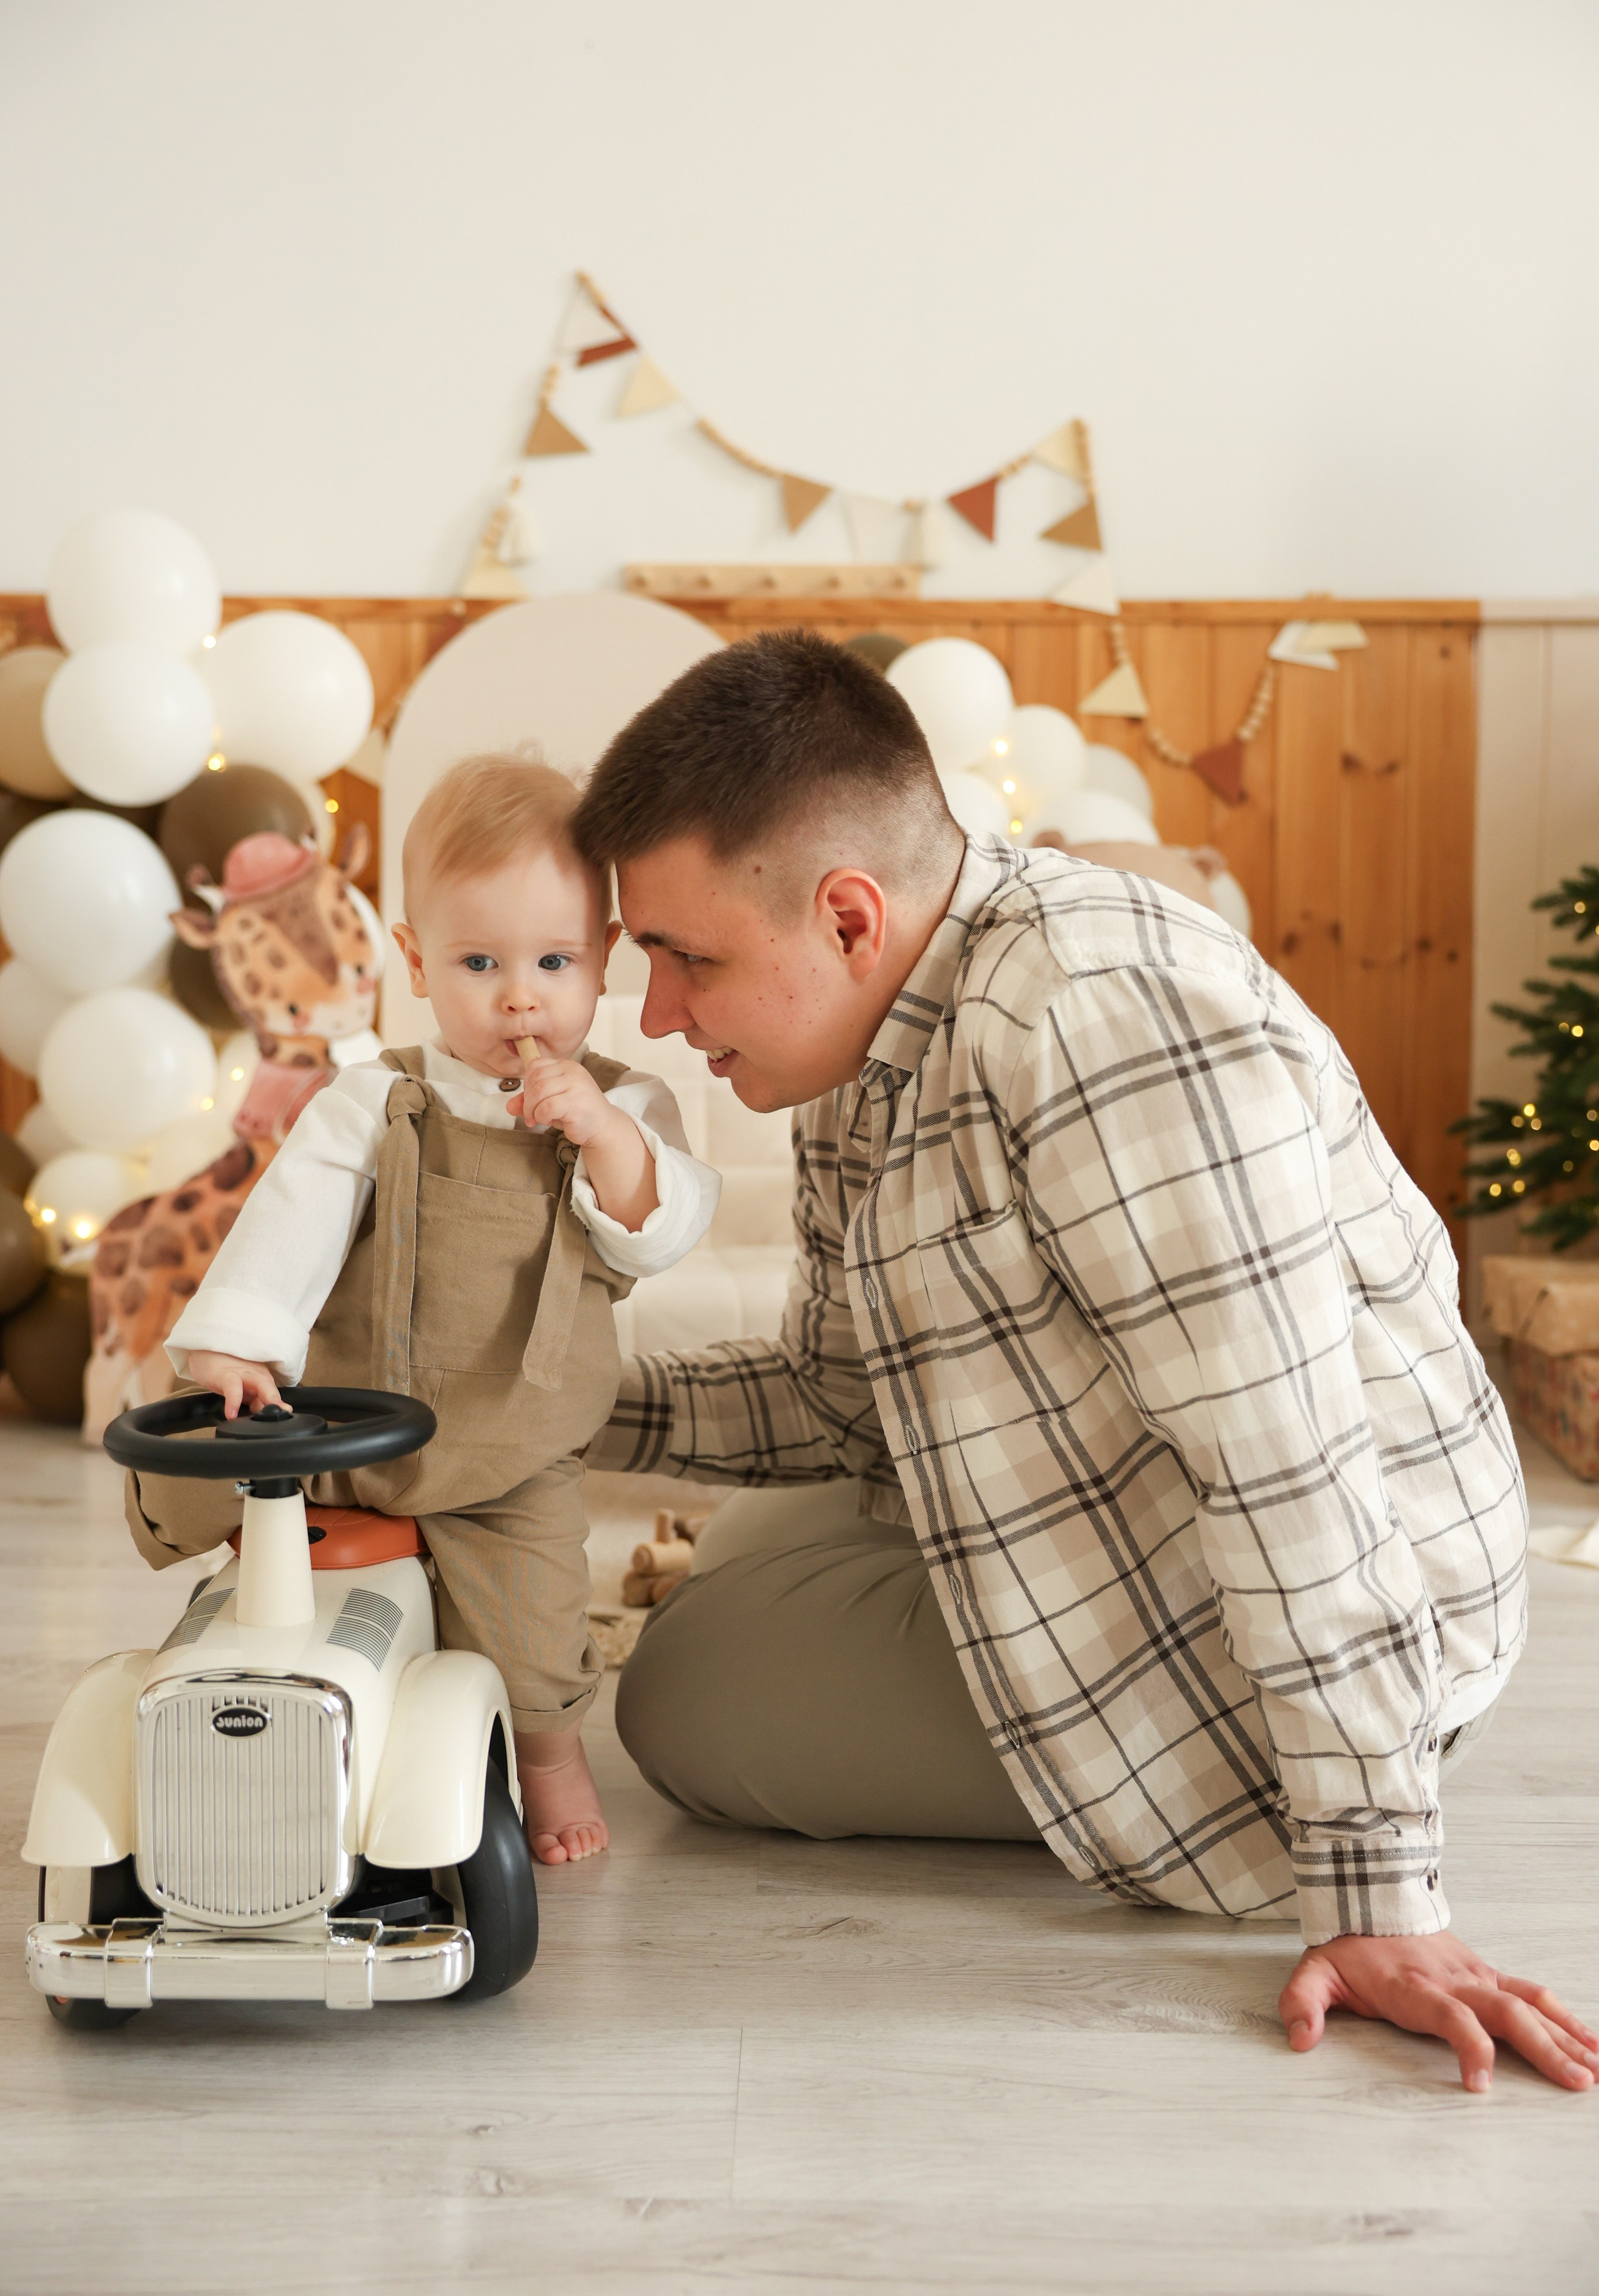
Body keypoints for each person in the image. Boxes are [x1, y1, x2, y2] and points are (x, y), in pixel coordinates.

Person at [573, 628, 1597, 2095]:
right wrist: (556, 1409)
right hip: (1162, 1524)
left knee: (686, 1691)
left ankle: (1344, 1797)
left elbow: (1286, 1468)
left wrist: (1375, 1889)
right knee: (748, 1550)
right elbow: (838, 1403)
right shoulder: (864, 1044)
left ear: (850, 918)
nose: (658, 1014)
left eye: (689, 958)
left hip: (1318, 1660)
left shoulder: (1095, 1017)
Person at [122, 752, 720, 1866]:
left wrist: (603, 1136)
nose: (520, 997)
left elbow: (664, 1225)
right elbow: (295, 1212)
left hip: (510, 1450)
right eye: (479, 962)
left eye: (555, 961)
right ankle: (248, 1711)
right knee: (200, 1468)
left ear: (606, 959)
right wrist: (241, 1342)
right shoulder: (375, 1096)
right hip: (349, 1419)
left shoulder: (625, 1104)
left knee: (538, 1623)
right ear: (415, 961)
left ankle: (551, 1762)